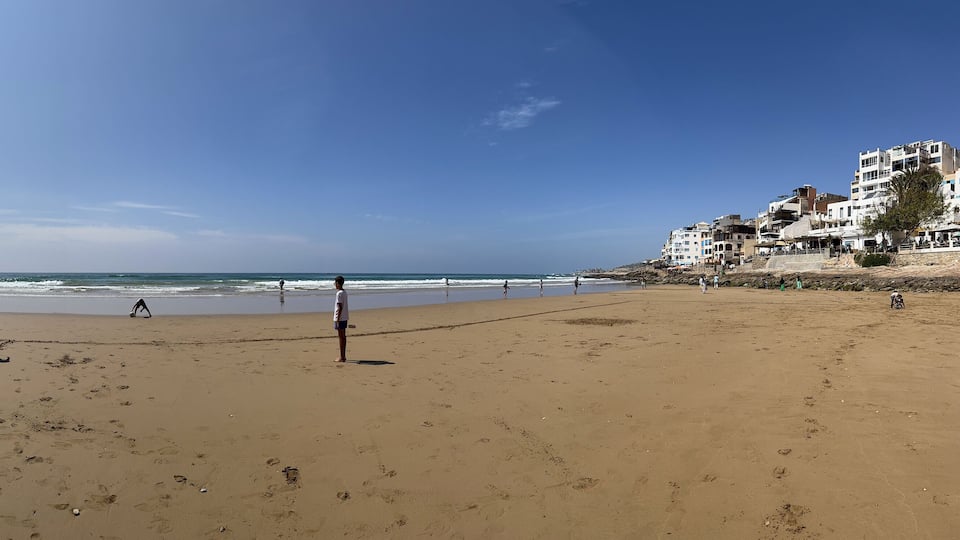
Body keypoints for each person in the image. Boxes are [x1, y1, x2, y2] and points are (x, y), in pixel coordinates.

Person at [333, 276, 349, 362]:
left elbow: (340, 306)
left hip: (340, 318)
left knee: (341, 337)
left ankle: (342, 357)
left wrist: (338, 319)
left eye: (335, 283)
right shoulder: (344, 292)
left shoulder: (339, 293)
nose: (334, 285)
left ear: (338, 283)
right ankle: (343, 356)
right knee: (343, 337)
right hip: (345, 317)